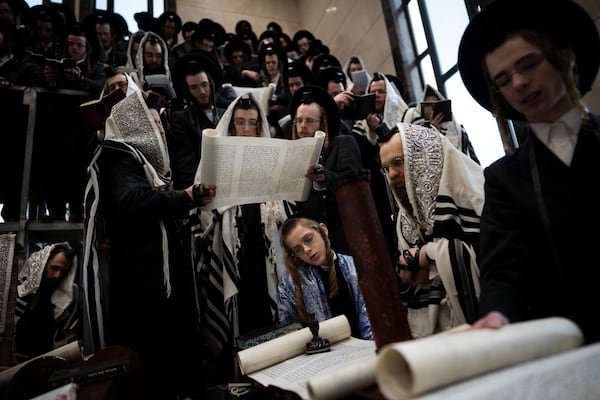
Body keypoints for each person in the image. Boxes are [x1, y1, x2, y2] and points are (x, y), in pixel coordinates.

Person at [457, 0, 600, 344]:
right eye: (503, 80)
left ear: (564, 57)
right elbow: (504, 273)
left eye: (528, 64)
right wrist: (496, 314)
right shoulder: (505, 179)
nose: (519, 83)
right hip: (569, 352)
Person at [82, 89, 216, 399]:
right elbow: (131, 201)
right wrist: (185, 197)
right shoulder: (118, 154)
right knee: (154, 354)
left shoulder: (150, 165)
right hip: (143, 280)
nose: (161, 130)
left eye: (161, 123)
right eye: (153, 123)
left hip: (161, 276)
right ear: (133, 125)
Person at [189, 92, 296, 384]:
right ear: (231, 126)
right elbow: (202, 216)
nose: (246, 129)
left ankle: (278, 382)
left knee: (272, 320)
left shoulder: (273, 160)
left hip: (267, 257)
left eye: (252, 123)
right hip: (232, 258)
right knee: (240, 324)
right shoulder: (215, 162)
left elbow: (285, 212)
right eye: (240, 123)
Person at [378, 123, 483, 338]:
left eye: (397, 163)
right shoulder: (402, 220)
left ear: (423, 158)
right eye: (386, 168)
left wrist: (430, 254)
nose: (392, 174)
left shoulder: (476, 195)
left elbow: (491, 256)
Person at [290, 85, 363, 254]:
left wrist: (325, 177)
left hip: (340, 236)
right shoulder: (292, 154)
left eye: (309, 121)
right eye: (298, 120)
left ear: (322, 123)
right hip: (306, 242)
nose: (302, 126)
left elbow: (354, 180)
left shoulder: (343, 143)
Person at [277, 216, 373, 340]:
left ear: (323, 230)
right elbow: (288, 333)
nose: (306, 250)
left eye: (308, 239)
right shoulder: (289, 282)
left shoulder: (354, 267)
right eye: (298, 249)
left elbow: (371, 319)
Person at [13, 242, 79, 363]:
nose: (58, 276)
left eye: (63, 272)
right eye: (54, 268)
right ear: (43, 265)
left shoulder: (68, 298)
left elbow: (69, 338)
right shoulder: (17, 292)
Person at [168, 49, 225, 189]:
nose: (202, 92)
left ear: (211, 84)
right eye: (194, 87)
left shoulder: (226, 112)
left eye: (204, 84)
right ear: (187, 91)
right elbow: (185, 168)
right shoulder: (182, 119)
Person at [402, 83, 480, 164]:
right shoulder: (416, 129)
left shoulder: (460, 131)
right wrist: (431, 130)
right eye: (430, 106)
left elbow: (472, 159)